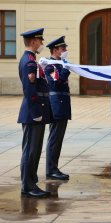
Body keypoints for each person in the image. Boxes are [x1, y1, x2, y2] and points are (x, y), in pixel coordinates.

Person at [18, 28, 51, 198]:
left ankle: (31, 183)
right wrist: (36, 112)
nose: (41, 44)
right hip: (33, 113)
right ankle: (28, 186)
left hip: (35, 112)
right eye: (40, 41)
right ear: (33, 42)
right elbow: (29, 90)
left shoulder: (32, 60)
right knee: (30, 151)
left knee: (34, 150)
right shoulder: (29, 62)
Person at [43, 36, 71, 181]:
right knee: (54, 138)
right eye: (63, 49)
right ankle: (51, 169)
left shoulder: (59, 64)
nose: (65, 51)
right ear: (55, 50)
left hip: (62, 104)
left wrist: (65, 66)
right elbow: (56, 83)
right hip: (57, 105)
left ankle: (53, 167)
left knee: (58, 138)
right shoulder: (50, 66)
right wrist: (66, 69)